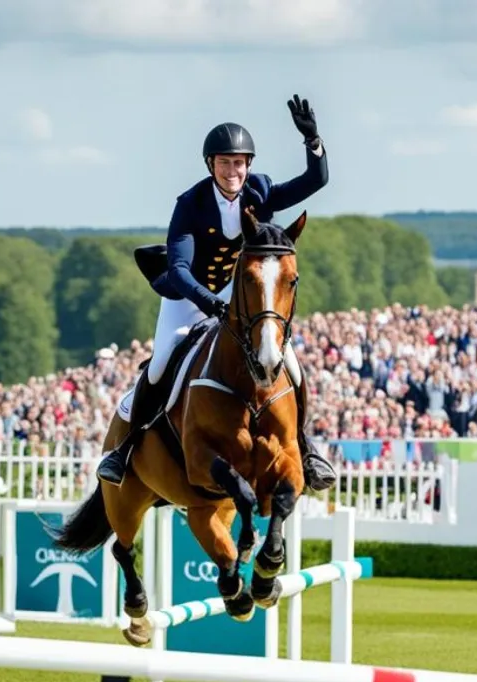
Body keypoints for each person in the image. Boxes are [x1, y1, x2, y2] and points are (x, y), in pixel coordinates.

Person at [97, 94, 337, 492]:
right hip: (187, 297)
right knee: (160, 365)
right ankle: (125, 447)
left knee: (288, 364)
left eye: (239, 163)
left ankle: (305, 447)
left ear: (248, 166)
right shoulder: (191, 204)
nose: (233, 171)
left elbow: (316, 181)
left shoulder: (258, 191)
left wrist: (313, 142)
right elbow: (178, 269)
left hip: (239, 295)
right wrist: (209, 303)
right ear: (211, 166)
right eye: (225, 163)